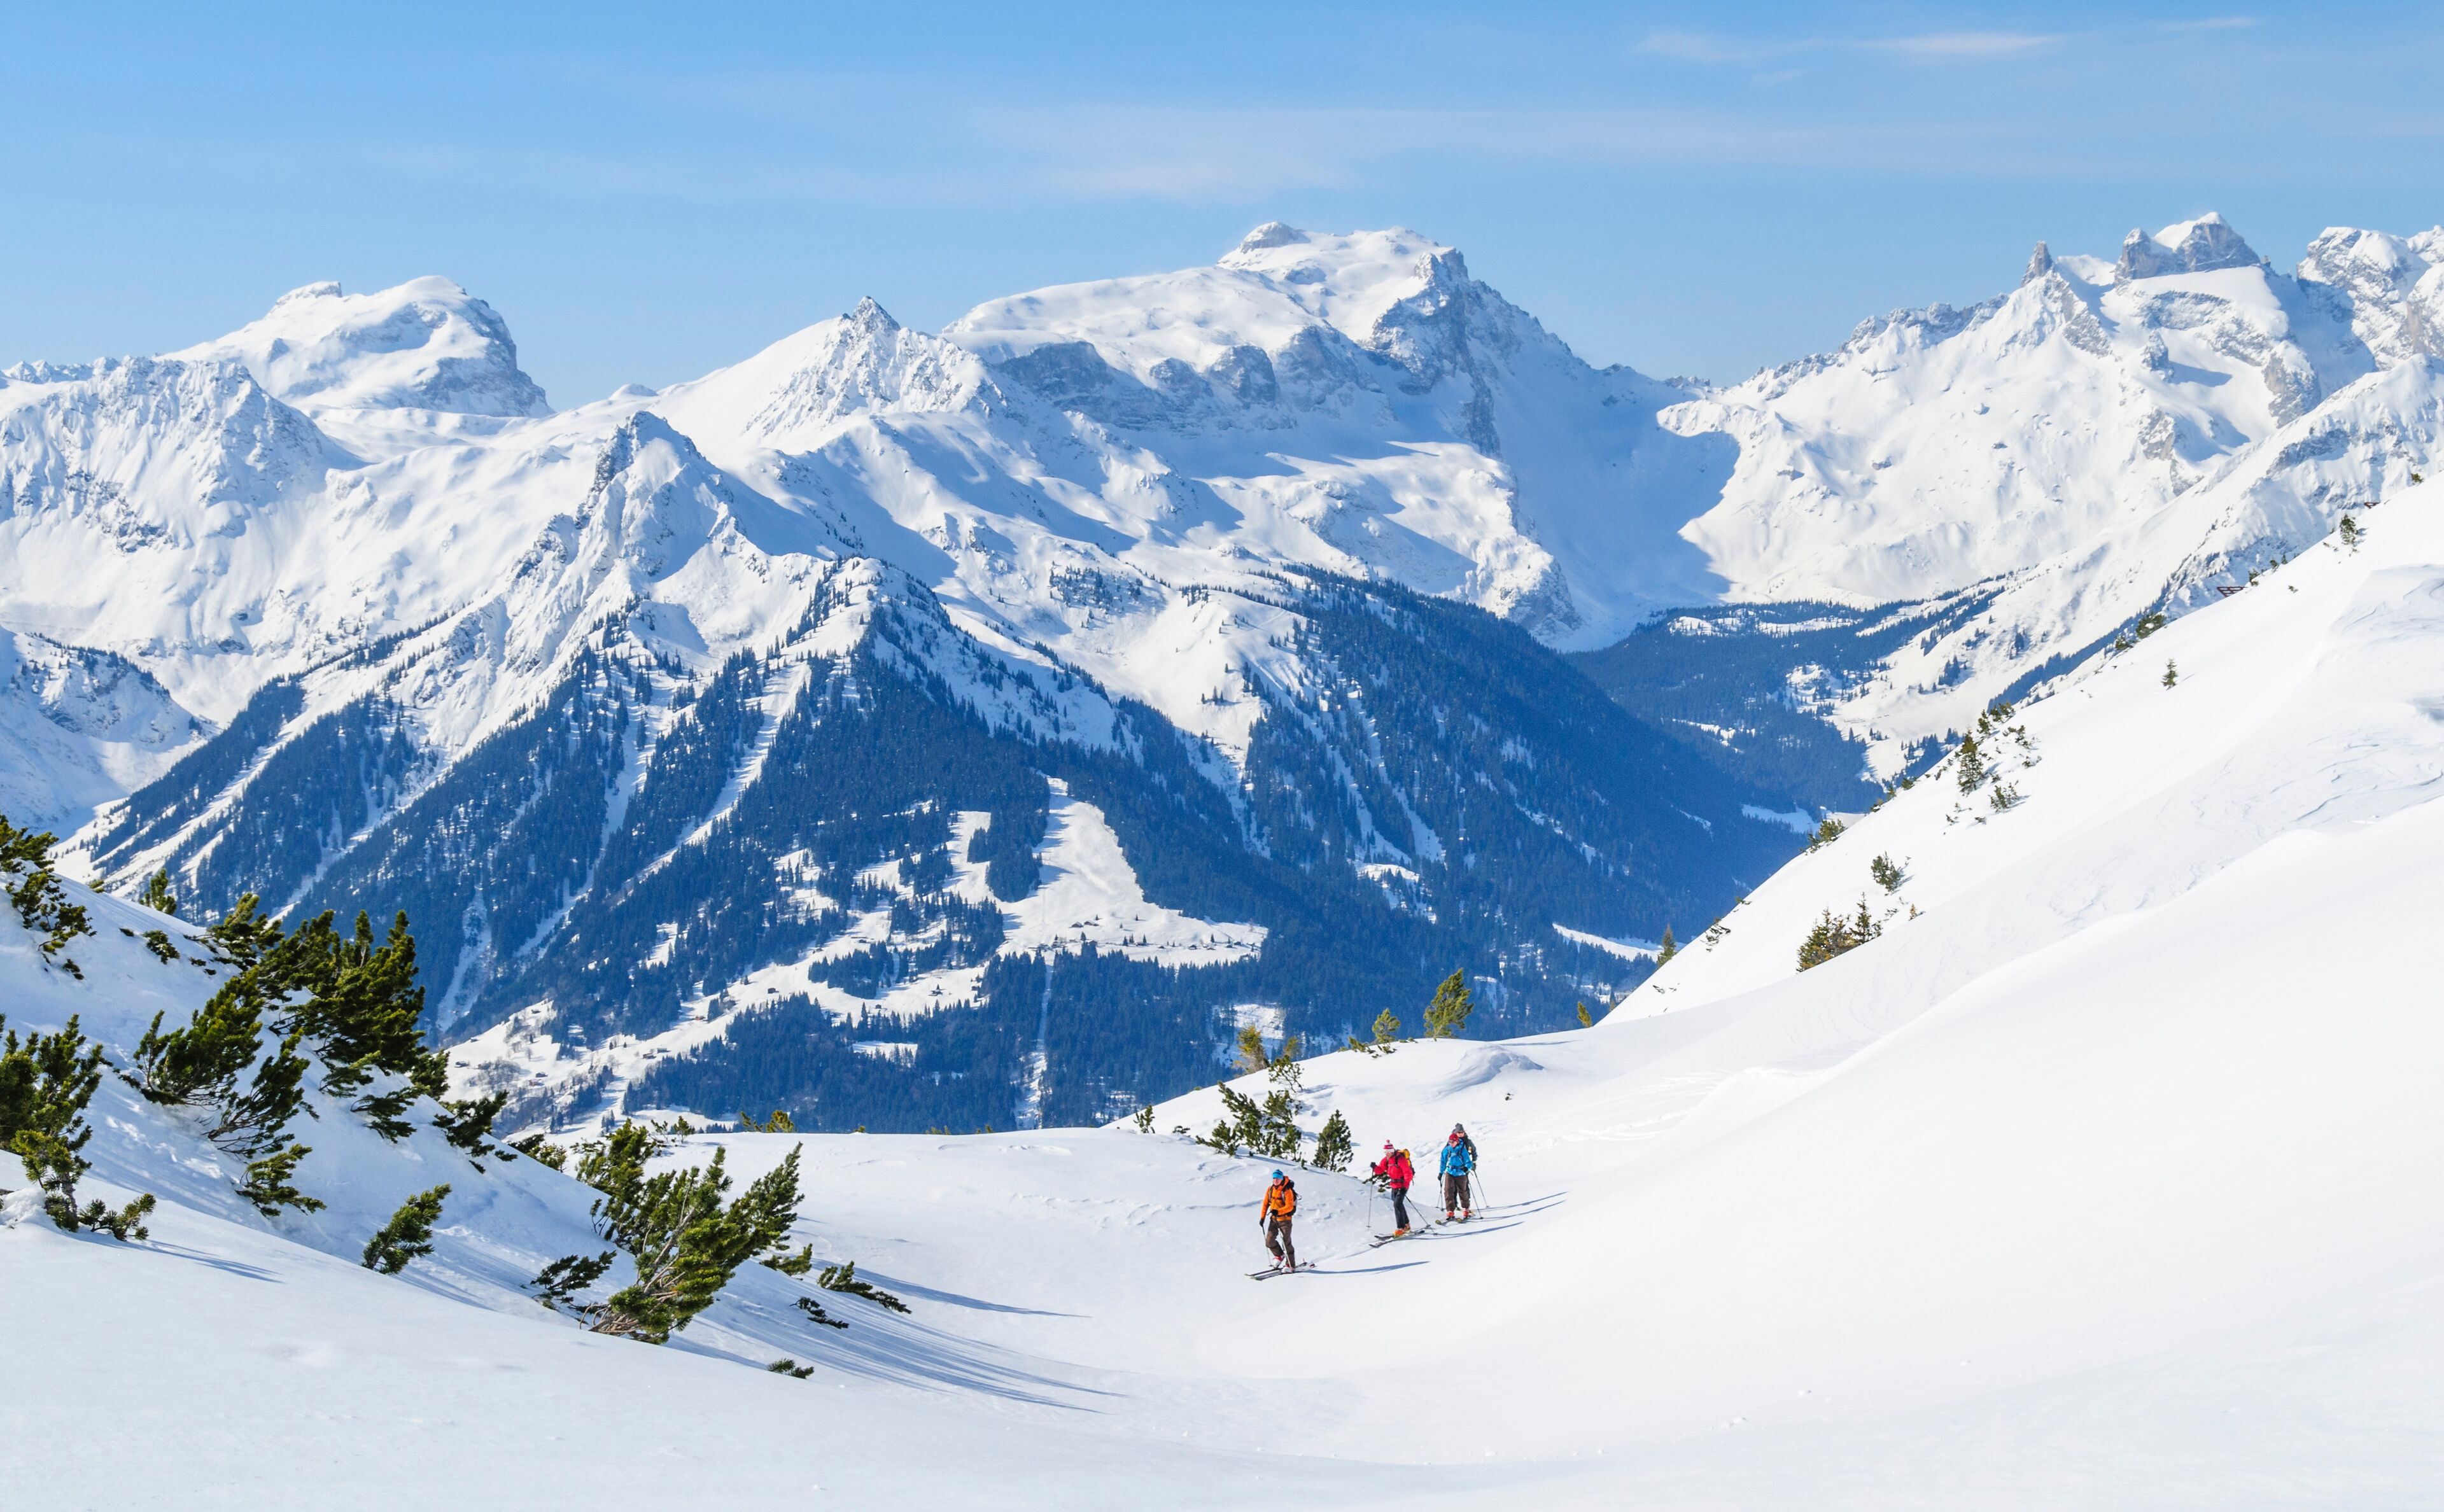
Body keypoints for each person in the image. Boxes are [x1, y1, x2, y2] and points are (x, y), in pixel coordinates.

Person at [1368, 1141, 1415, 1235]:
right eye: (1385, 1152)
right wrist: (1374, 1167)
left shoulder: (1401, 1160)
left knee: (1397, 1204)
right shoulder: (1386, 1160)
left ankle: (1401, 1228)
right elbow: (1380, 1170)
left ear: (1392, 1151)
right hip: (1394, 1185)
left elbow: (1408, 1173)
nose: (1387, 1154)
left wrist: (1404, 1187)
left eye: (1388, 1152)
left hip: (1403, 1185)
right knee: (1398, 1204)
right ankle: (1407, 1224)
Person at [1260, 1170, 1298, 1271]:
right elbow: (1265, 1204)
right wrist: (1262, 1217)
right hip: (1274, 1220)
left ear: (1281, 1179)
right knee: (1269, 1241)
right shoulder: (1270, 1189)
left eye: (1278, 1178)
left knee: (1286, 1243)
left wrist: (1278, 1211)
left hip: (1285, 1220)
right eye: (1274, 1178)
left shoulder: (1287, 1191)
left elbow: (1289, 1207)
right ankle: (1279, 1255)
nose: (1275, 1180)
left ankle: (1291, 1265)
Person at [1439, 1126, 1477, 1221]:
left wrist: (1466, 1168)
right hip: (1450, 1172)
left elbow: (1468, 1161)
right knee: (1448, 1191)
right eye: (1450, 1142)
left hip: (1461, 1173)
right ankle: (1450, 1210)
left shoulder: (1463, 1149)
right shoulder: (1447, 1150)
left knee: (1463, 1191)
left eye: (1452, 1142)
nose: (1451, 1143)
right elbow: (1443, 1161)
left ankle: (1466, 1209)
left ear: (1457, 1141)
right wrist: (1441, 1172)